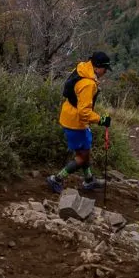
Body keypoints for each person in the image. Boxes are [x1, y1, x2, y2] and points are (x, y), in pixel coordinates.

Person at [47, 51, 113, 193]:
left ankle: (89, 180)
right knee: (82, 157)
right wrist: (102, 120)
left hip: (70, 114)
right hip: (75, 123)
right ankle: (56, 179)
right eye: (105, 68)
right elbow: (84, 112)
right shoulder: (88, 84)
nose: (106, 72)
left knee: (85, 152)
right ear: (97, 67)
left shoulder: (83, 68)